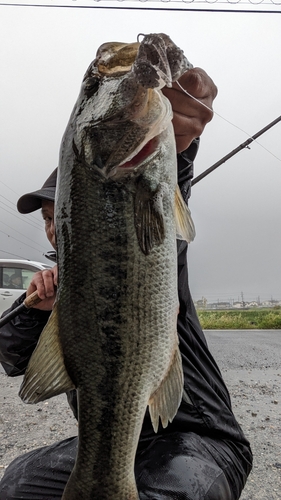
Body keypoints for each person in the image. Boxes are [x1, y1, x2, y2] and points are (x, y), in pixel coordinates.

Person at [0, 67, 252, 500]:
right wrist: (35, 311)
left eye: (58, 210)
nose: (52, 226)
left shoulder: (150, 236)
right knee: (17, 483)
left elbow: (164, 185)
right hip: (116, 441)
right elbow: (11, 355)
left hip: (200, 439)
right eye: (47, 218)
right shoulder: (57, 285)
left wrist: (181, 146)